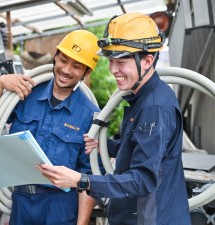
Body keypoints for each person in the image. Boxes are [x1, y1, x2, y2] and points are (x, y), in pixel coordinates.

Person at [37, 12, 191, 225]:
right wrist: (105, 146)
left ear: (147, 60)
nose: (113, 70)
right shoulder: (143, 98)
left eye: (121, 62)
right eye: (111, 60)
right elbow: (139, 148)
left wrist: (81, 180)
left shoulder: (154, 108)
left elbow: (142, 179)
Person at [0, 30, 101, 225]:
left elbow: (89, 177)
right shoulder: (25, 93)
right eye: (63, 60)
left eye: (76, 66)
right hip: (22, 200)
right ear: (55, 57)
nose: (66, 70)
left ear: (87, 72)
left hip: (60, 205)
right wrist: (0, 84)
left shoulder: (89, 114)